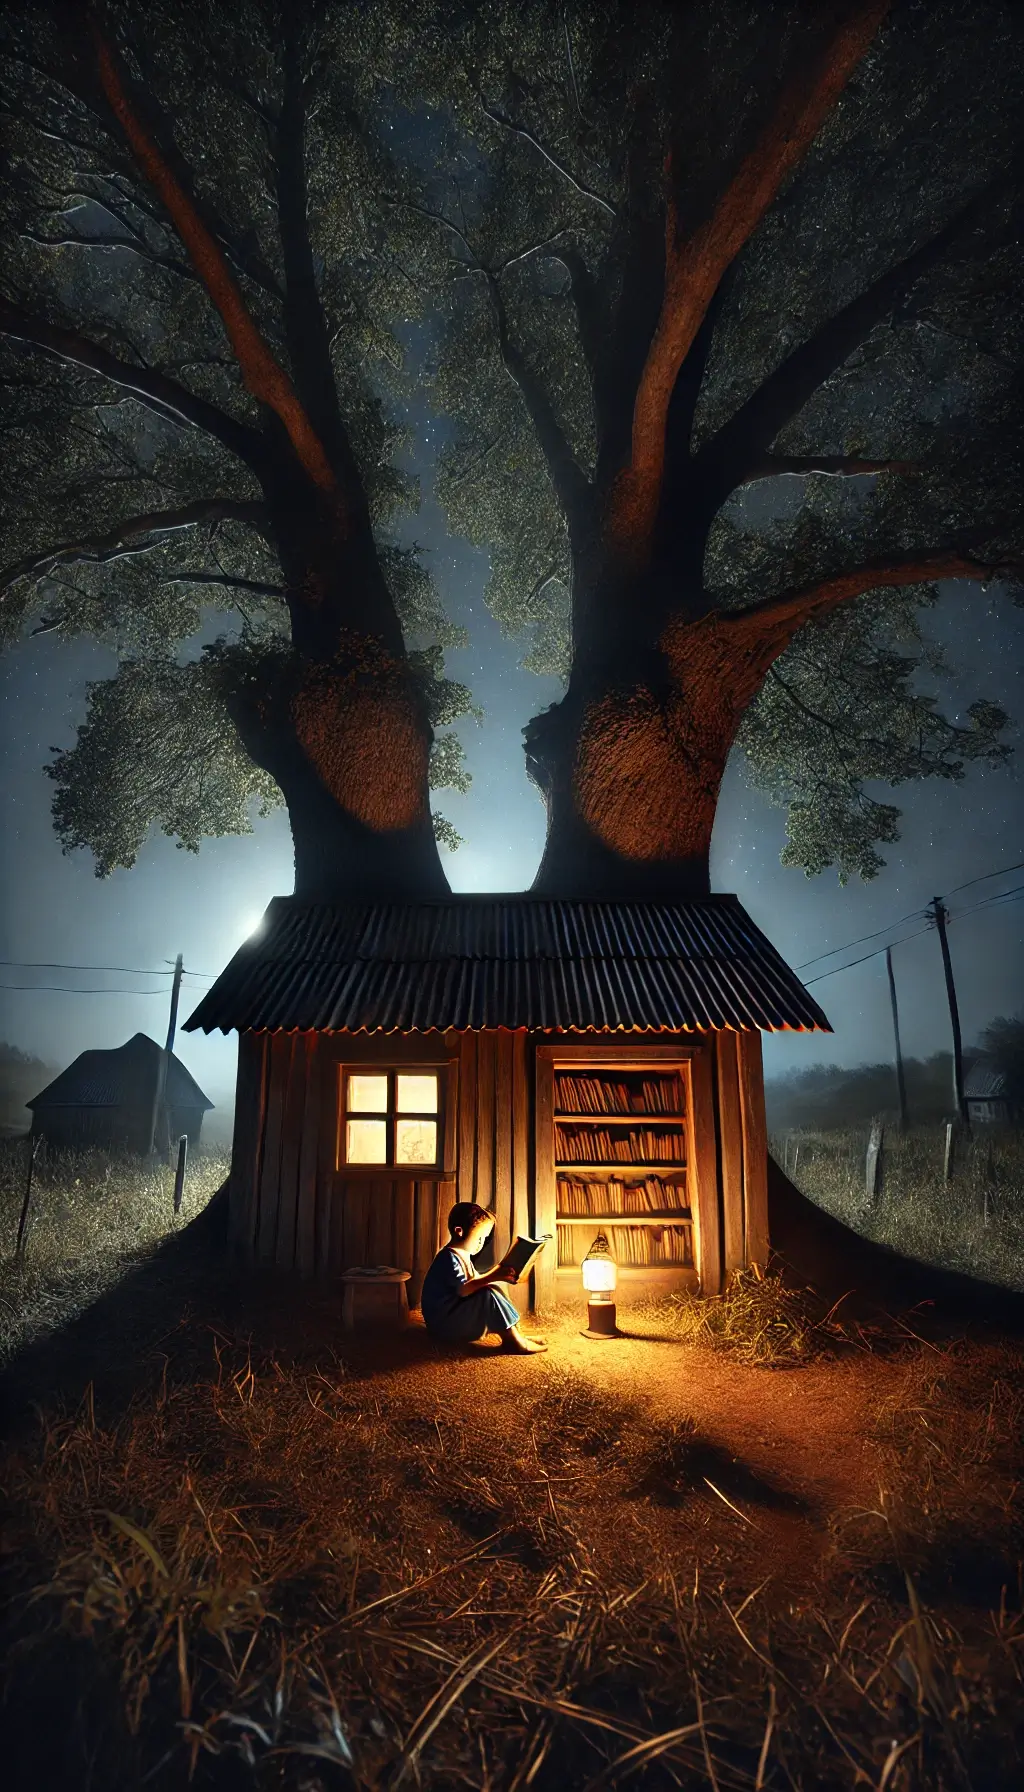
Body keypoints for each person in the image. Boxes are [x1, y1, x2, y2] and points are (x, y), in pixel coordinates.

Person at [420, 1202, 547, 1354]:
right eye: (479, 1238)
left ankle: (516, 1333)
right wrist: (493, 1275)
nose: (481, 1243)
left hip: (453, 1314)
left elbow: (476, 1281)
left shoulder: (462, 1255)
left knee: (494, 1288)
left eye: (484, 1239)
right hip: (443, 1325)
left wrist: (500, 1277)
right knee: (488, 1294)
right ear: (459, 1231)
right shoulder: (448, 1258)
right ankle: (513, 1342)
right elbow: (464, 1290)